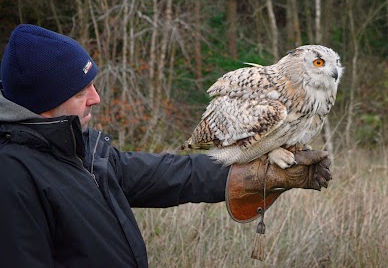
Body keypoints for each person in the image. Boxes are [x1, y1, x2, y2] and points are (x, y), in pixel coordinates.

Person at [0, 24, 331, 267]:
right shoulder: (12, 177)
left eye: (92, 85)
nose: (96, 99)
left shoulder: (81, 151)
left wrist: (258, 174)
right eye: (79, 93)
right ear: (45, 102)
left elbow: (168, 175)